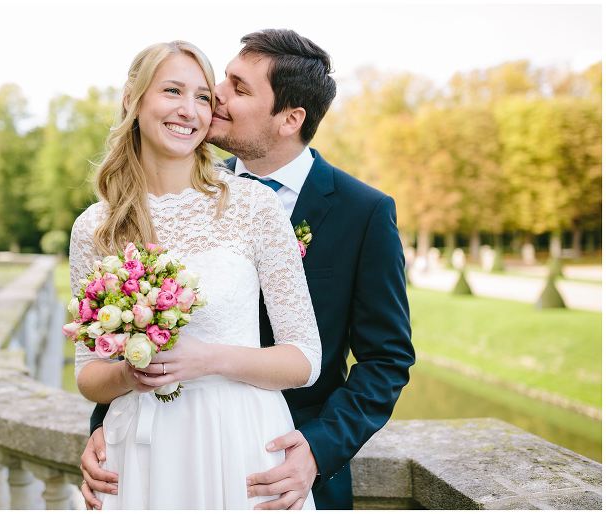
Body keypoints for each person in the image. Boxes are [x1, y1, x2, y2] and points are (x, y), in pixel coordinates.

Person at [80, 29, 416, 510]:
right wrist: (108, 424)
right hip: (153, 449)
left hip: (274, 459)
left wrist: (317, 450)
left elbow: (386, 361)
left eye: (238, 88)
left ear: (290, 119)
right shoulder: (167, 195)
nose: (214, 97)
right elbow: (132, 331)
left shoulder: (362, 212)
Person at [69, 39, 322, 509]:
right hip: (141, 448)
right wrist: (130, 373)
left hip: (241, 440)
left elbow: (305, 359)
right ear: (133, 99)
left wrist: (207, 359)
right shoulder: (94, 227)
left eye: (203, 97)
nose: (188, 110)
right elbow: (88, 376)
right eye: (172, 91)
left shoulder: (252, 205)